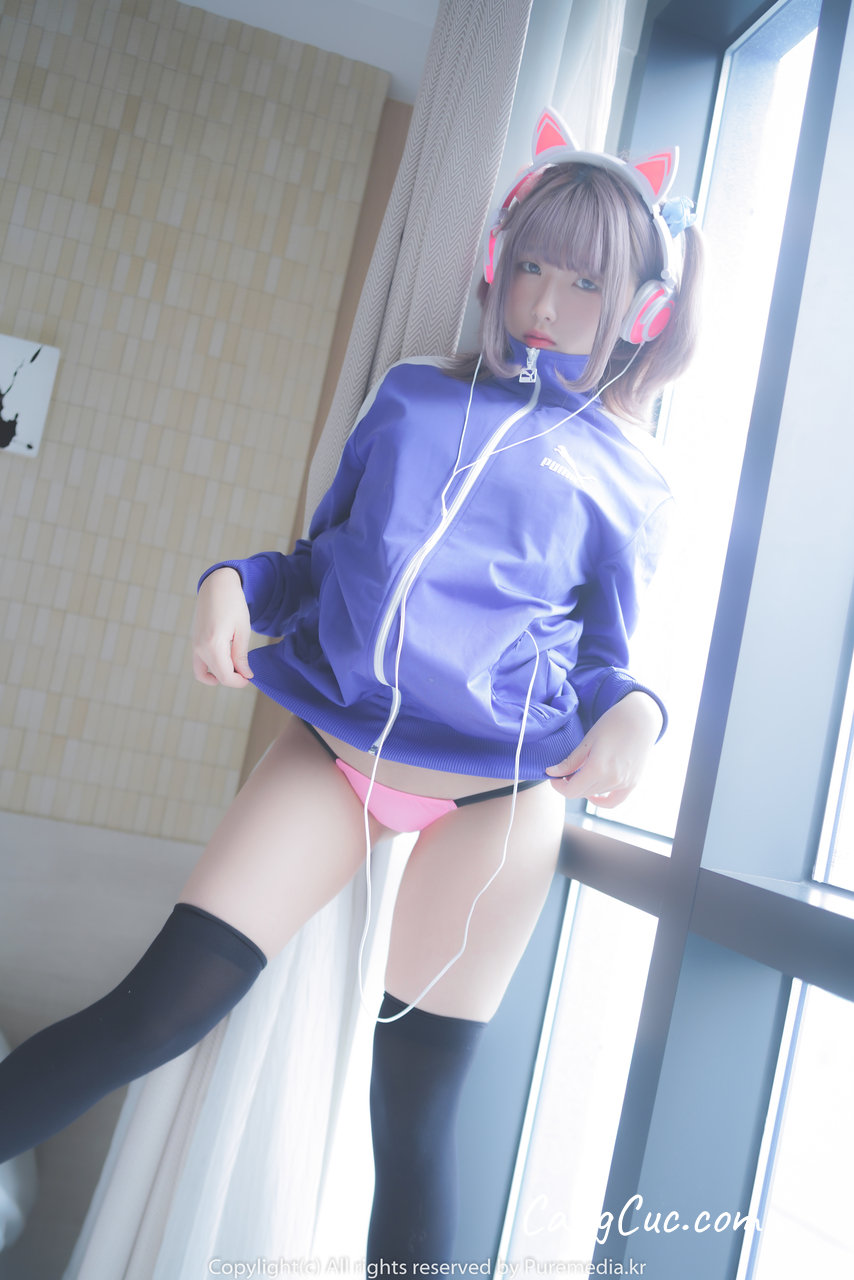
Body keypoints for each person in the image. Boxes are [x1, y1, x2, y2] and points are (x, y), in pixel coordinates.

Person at [0, 111, 703, 1263]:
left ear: (642, 311)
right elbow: (317, 563)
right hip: (332, 752)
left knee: (411, 1116)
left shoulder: (632, 476)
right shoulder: (411, 396)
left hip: (496, 794)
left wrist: (638, 711)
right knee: (151, 1013)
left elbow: (602, 658)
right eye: (529, 263)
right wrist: (229, 581)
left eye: (583, 281)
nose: (542, 300)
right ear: (494, 258)